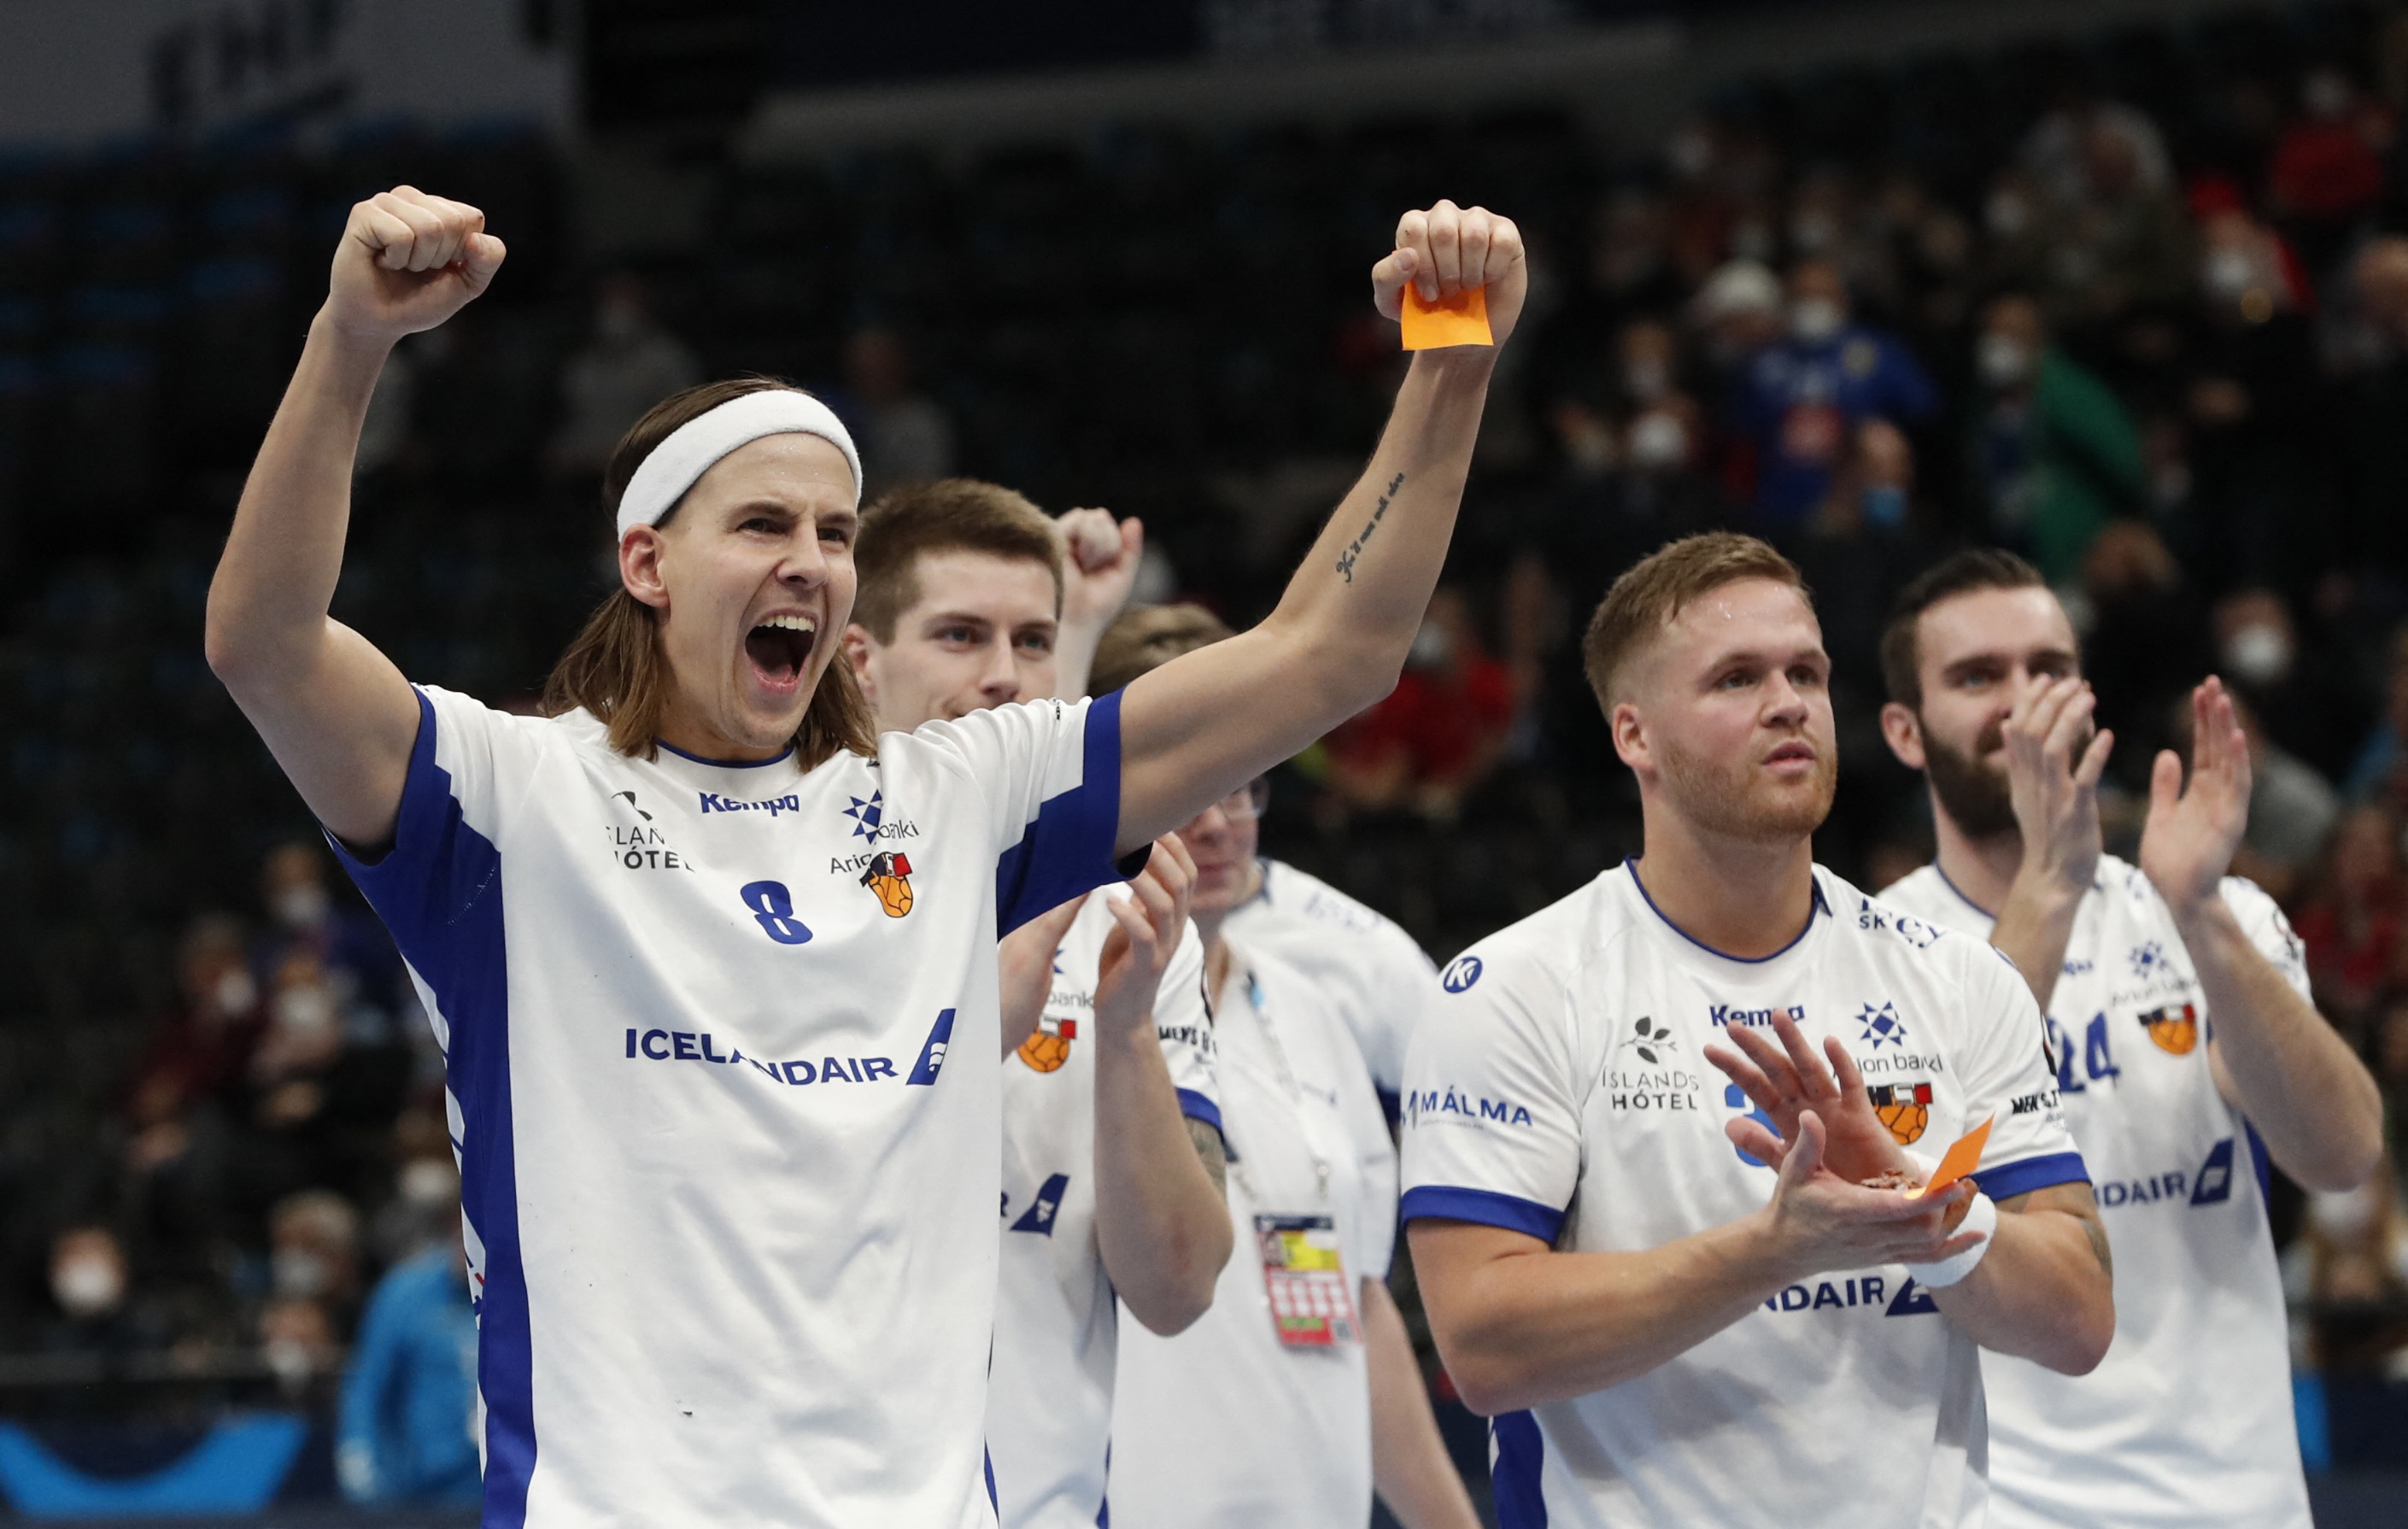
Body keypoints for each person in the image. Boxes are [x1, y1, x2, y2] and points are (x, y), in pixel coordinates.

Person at [202, 185, 1526, 1526]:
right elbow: (262, 639)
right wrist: (350, 341)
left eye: (834, 532)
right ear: (648, 561)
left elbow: (1328, 654)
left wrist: (1450, 356)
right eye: (764, 526)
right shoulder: (508, 799)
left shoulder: (960, 799)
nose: (811, 561)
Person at [1403, 532, 2112, 1527]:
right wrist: (1776, 1249)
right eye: (1736, 677)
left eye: (1805, 672)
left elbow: (2078, 1315)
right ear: (1633, 734)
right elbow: (1481, 1346)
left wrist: (1925, 1208)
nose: (1787, 702)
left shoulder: (1958, 977)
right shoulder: (1513, 986)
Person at [1873, 548, 2382, 1529]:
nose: (2022, 702)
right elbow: (1922, 1186)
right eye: (1976, 675)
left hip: (2237, 1500)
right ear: (1903, 730)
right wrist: (2049, 891)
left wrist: (2194, 910)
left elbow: (2341, 1153)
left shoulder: (2206, 904)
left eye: (2046, 667)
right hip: (1995, 1503)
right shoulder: (1860, 949)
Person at [841, 478, 1232, 1529]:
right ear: (858, 659)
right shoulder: (761, 888)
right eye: (961, 636)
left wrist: (1126, 1034)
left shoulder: (1129, 923)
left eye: (1034, 641)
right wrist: (973, 1026)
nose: (1005, 677)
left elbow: (1178, 1287)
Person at [1093, 606, 1479, 1529]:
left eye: (1245, 783)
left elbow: (1353, 1305)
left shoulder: (1310, 1012)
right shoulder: (1047, 1013)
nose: (1221, 820)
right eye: (1193, 780)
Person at [337, 1170, 480, 1509]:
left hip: (509, 1482)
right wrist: (357, 1458)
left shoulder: (526, 1292)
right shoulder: (405, 1291)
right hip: (429, 1485)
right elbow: (368, 1385)